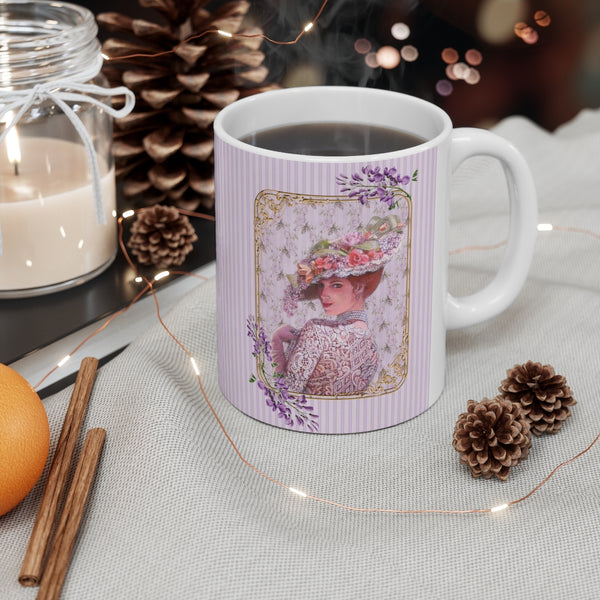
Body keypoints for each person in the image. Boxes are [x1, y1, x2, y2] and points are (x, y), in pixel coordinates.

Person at [271, 215, 404, 396]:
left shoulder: (315, 332)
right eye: (320, 285)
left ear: (357, 287)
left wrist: (276, 341)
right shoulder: (372, 348)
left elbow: (286, 394)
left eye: (336, 285)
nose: (324, 294)